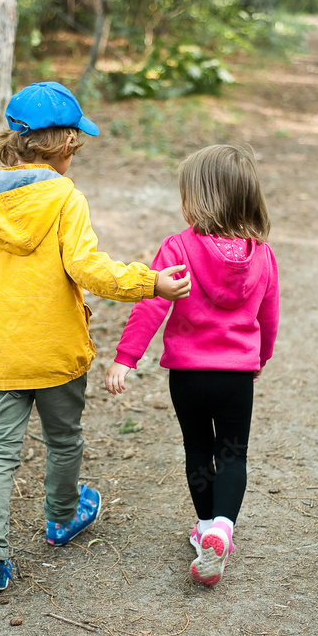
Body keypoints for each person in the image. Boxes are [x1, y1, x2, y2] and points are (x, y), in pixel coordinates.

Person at [0, 81, 191, 591]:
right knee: (63, 438)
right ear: (62, 145)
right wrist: (152, 282)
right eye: (75, 143)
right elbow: (87, 268)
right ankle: (60, 517)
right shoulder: (64, 198)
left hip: (2, 354)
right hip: (56, 351)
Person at [105, 144, 279, 586]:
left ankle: (205, 529)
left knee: (198, 449)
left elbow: (151, 307)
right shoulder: (262, 254)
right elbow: (268, 314)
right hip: (236, 375)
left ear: (197, 198)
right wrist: (260, 357)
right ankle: (223, 527)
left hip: (188, 374)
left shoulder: (178, 247)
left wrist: (127, 358)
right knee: (233, 452)